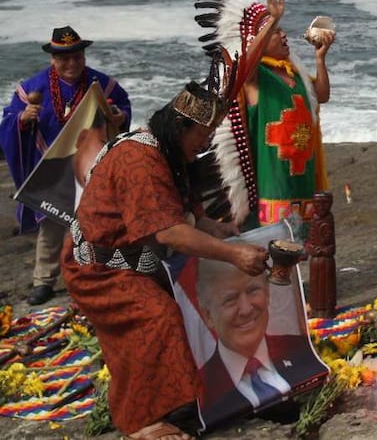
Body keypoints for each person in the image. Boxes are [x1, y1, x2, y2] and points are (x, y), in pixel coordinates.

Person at [60, 81, 269, 440]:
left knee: (194, 308)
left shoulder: (172, 154)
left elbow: (187, 217)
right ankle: (144, 422)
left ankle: (184, 400)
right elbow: (168, 232)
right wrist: (234, 253)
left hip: (137, 261)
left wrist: (218, 232)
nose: (205, 144)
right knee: (158, 317)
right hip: (97, 268)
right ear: (179, 127)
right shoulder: (139, 158)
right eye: (202, 135)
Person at [0, 26, 131, 306]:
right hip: (53, 167)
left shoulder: (101, 84)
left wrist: (119, 116)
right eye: (64, 58)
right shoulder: (32, 88)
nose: (71, 63)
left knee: (97, 225)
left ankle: (98, 273)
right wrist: (22, 118)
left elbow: (122, 106)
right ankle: (44, 281)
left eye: (77, 56)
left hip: (90, 167)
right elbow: (8, 121)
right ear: (52, 59)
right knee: (50, 227)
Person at [194, 0, 333, 228]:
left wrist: (320, 59)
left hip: (302, 175)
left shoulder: (294, 74)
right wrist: (271, 22)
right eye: (276, 32)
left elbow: (321, 95)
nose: (283, 35)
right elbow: (246, 61)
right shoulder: (255, 77)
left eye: (280, 30)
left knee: (303, 247)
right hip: (273, 182)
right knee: (276, 250)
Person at [196, 258, 326, 422]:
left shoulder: (301, 349)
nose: (246, 309)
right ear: (208, 316)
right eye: (230, 300)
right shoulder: (202, 390)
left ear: (267, 294)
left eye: (253, 291)